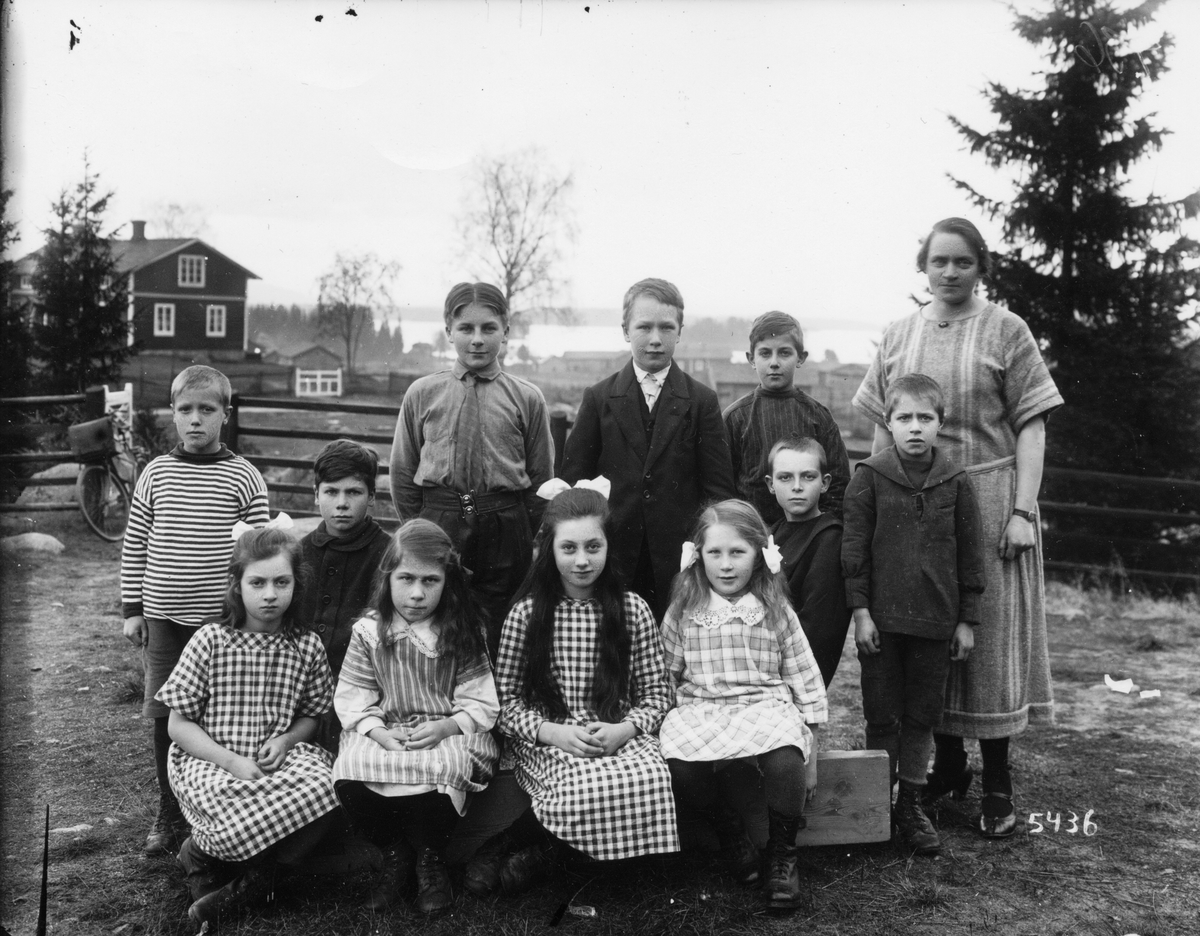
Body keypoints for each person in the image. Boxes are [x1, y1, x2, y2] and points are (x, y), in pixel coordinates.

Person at [852, 217, 1064, 839]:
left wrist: (1023, 511)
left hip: (992, 501)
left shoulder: (1007, 329)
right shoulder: (899, 334)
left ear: (980, 267)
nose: (949, 272)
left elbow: (1032, 426)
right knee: (923, 632)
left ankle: (997, 782)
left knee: (985, 640)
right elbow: (880, 429)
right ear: (923, 266)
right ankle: (946, 767)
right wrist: (877, 498)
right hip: (912, 505)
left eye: (962, 261)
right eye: (938, 261)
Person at [121, 365, 269, 857]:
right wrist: (133, 609)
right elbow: (136, 543)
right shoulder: (156, 474)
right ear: (173, 413)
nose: (195, 419)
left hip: (221, 624)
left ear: (226, 414)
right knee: (167, 714)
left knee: (218, 714)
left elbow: (259, 554)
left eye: (207, 409)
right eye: (185, 409)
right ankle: (169, 810)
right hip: (164, 617)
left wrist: (251, 613)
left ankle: (213, 806)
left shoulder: (244, 476)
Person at [491, 483, 679, 871]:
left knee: (651, 777)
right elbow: (505, 702)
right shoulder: (527, 615)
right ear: (550, 550)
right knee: (582, 785)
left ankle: (546, 856)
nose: (581, 561)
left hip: (616, 731)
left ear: (609, 546)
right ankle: (521, 848)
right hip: (551, 736)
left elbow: (657, 693)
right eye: (569, 548)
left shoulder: (633, 610)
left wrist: (624, 730)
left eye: (593, 547)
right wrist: (551, 732)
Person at [159, 526, 340, 928]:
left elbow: (311, 714)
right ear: (237, 585)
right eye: (257, 583)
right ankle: (203, 856)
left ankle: (253, 882)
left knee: (329, 785)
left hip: (276, 760)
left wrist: (288, 739)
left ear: (296, 585)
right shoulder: (211, 640)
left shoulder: (305, 645)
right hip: (211, 759)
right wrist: (230, 761)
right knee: (228, 802)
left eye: (282, 582)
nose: (270, 594)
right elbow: (178, 724)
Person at [842, 375, 986, 854]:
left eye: (925, 417)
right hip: (881, 625)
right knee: (882, 714)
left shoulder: (956, 481)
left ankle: (910, 804)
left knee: (922, 716)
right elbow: (854, 551)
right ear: (888, 422)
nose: (915, 427)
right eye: (904, 418)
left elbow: (971, 557)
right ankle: (875, 806)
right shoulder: (869, 477)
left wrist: (966, 620)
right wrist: (861, 613)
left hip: (935, 623)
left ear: (941, 423)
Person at [660, 499, 827, 913]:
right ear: (698, 556)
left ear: (758, 554)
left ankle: (782, 853)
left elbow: (804, 676)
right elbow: (665, 672)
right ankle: (730, 830)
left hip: (763, 705)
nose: (726, 565)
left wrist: (812, 752)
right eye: (714, 553)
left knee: (785, 758)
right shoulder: (685, 610)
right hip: (702, 707)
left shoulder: (775, 610)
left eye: (738, 552)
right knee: (680, 763)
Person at [332, 519, 499, 916]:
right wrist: (378, 732)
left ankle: (430, 856)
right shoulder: (370, 631)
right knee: (348, 768)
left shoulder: (460, 629)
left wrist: (447, 726)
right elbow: (354, 697)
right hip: (388, 729)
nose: (417, 593)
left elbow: (480, 700)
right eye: (406, 578)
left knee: (448, 765)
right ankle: (395, 854)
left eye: (430, 581)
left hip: (447, 729)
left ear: (447, 582)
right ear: (387, 578)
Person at [390, 282, 554, 656]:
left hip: (505, 528)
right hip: (440, 522)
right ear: (449, 331)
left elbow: (541, 479)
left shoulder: (527, 397)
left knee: (501, 631)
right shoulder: (422, 393)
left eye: (488, 328)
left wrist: (520, 531)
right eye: (466, 328)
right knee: (437, 626)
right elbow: (402, 473)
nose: (477, 339)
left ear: (506, 331)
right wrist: (423, 527)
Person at [559, 277, 736, 620]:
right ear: (626, 331)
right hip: (612, 556)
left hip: (679, 561)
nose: (655, 339)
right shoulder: (599, 398)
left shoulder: (701, 401)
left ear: (680, 331)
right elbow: (573, 483)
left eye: (666, 327)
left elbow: (719, 492)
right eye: (644, 327)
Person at [294, 439, 390, 751]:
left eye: (354, 492)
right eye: (331, 492)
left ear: (372, 496)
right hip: (299, 692)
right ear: (315, 494)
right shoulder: (297, 554)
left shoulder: (389, 556)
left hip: (364, 694)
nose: (342, 503)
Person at [723, 311, 851, 526]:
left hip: (808, 534)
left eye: (784, 353)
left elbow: (838, 485)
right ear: (751, 359)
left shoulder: (818, 416)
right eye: (765, 353)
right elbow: (723, 487)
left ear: (800, 357)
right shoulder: (735, 418)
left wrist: (821, 532)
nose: (774, 363)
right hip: (752, 532)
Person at [766, 437, 851, 687]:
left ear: (824, 483)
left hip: (797, 670)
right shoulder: (773, 533)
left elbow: (819, 627)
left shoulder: (829, 538)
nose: (797, 487)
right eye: (785, 478)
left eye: (808, 477)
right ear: (771, 485)